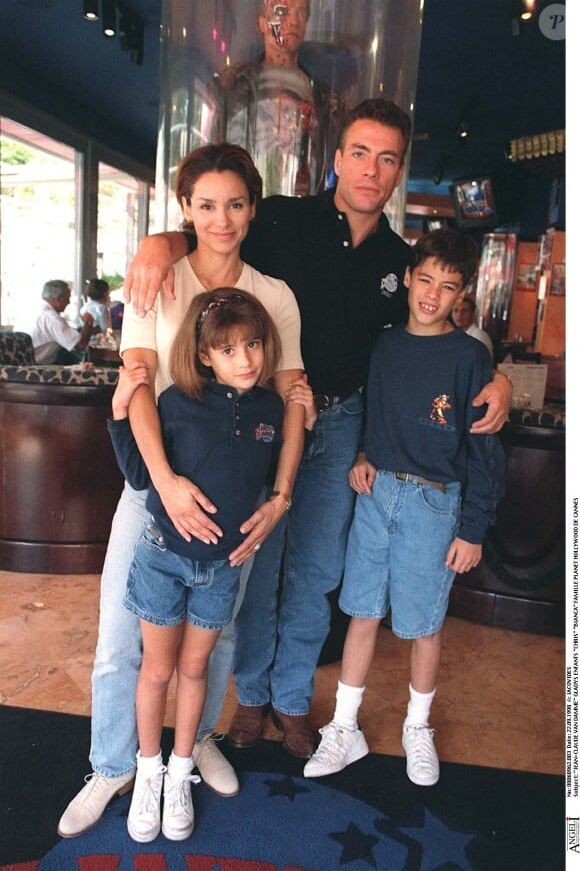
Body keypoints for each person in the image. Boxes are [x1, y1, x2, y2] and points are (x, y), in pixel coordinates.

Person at [121, 98, 512, 762]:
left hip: (342, 423)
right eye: (359, 153)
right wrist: (158, 242)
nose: (371, 169)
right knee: (256, 561)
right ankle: (250, 695)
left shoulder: (399, 257)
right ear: (336, 160)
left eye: (387, 159)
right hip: (264, 419)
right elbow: (215, 230)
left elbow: (433, 325)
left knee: (317, 573)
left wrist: (493, 372)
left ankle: (294, 702)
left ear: (397, 172)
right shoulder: (279, 217)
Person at [57, 143, 307, 839]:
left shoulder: (274, 297)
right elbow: (135, 382)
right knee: (121, 639)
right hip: (155, 492)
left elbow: (292, 399)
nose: (220, 219)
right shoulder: (158, 278)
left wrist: (280, 497)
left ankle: (190, 746)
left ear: (253, 209)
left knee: (215, 632)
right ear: (185, 210)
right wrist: (163, 481)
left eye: (234, 204)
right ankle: (114, 763)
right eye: (205, 205)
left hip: (237, 504)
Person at [303, 229, 505, 786]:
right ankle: (345, 729)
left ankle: (418, 727)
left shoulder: (469, 357)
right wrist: (364, 452)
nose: (432, 295)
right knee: (362, 613)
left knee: (423, 624)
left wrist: (473, 528)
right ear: (410, 277)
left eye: (448, 287)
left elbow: (485, 451)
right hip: (377, 495)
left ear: (463, 295)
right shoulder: (385, 343)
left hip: (436, 505)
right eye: (425, 280)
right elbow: (374, 410)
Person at [108, 289, 285, 842]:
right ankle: (149, 775)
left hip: (222, 568)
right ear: (206, 355)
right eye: (229, 350)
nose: (246, 359)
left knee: (195, 670)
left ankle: (181, 772)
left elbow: (273, 477)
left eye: (252, 345)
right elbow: (141, 475)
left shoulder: (271, 411)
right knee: (156, 670)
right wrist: (120, 409)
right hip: (163, 557)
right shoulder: (178, 402)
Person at [208, 0, 343, 197]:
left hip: (299, 204)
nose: (294, 21)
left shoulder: (325, 99)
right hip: (242, 203)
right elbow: (214, 153)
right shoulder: (231, 86)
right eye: (282, 11)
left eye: (301, 13)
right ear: (262, 22)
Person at [14, 279, 94, 364]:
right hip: (38, 370)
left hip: (18, 367)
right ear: (58, 299)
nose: (69, 302)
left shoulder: (30, 310)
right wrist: (88, 322)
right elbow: (80, 345)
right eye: (68, 298)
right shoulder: (51, 318)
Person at [451, 294, 494, 358]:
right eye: (456, 310)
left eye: (464, 311)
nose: (459, 314)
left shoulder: (479, 336)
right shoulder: (459, 335)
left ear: (472, 314)